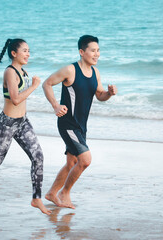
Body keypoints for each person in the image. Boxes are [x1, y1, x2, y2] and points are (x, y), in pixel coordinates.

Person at [0, 38, 51, 215]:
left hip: (22, 122)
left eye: (29, 50)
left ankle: (36, 198)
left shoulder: (24, 71)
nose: (28, 54)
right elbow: (15, 99)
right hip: (6, 124)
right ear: (14, 53)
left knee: (38, 156)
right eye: (25, 51)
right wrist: (35, 86)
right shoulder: (10, 72)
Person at [43, 35, 117, 209]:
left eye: (98, 50)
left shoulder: (95, 72)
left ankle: (52, 193)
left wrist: (109, 94)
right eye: (93, 50)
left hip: (81, 126)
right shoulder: (70, 70)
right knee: (85, 160)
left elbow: (100, 96)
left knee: (71, 163)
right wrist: (55, 105)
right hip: (68, 124)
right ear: (82, 52)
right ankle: (64, 192)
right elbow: (47, 84)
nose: (96, 54)